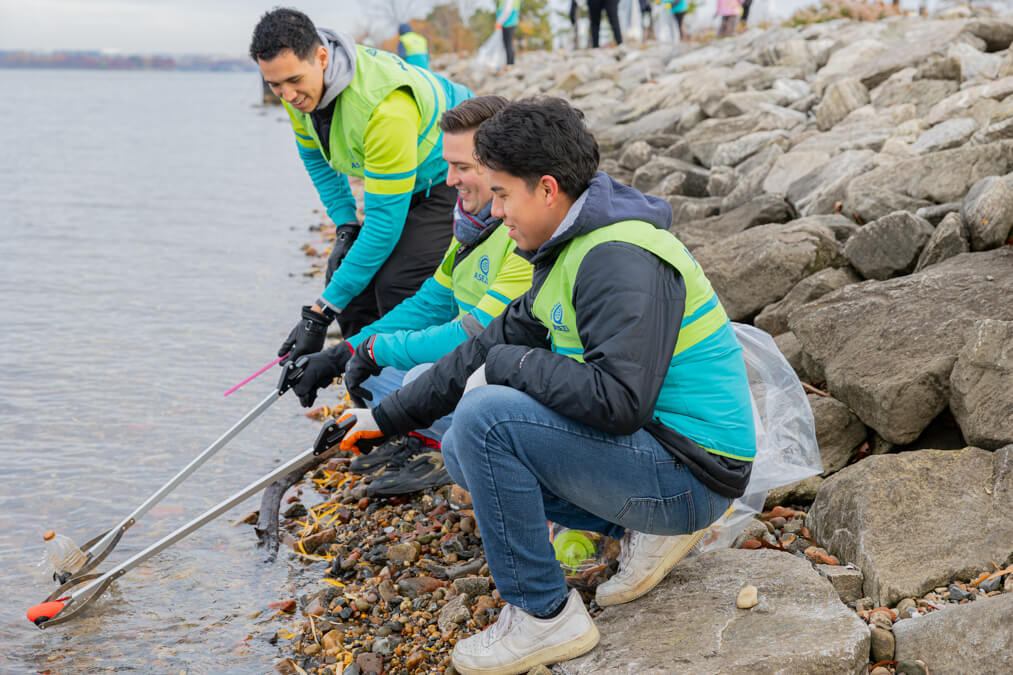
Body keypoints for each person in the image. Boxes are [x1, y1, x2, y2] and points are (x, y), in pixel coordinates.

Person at [330, 97, 756, 674]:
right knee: (461, 442)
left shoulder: (617, 258)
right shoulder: (567, 247)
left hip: (695, 474)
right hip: (666, 455)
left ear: (548, 189)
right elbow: (478, 349)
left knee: (487, 416)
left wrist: (513, 366)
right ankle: (634, 531)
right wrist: (383, 419)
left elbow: (620, 401)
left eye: (503, 194)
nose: (498, 212)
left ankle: (543, 617)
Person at [290, 95, 533, 497]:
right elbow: (426, 305)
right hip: (478, 370)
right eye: (446, 164)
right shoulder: (472, 228)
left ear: (501, 167)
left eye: (461, 167)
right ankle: (430, 443)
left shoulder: (523, 234)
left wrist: (374, 351)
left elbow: (470, 337)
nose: (448, 180)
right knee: (381, 376)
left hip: (513, 381)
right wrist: (343, 353)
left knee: (416, 375)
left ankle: (461, 455)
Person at [249, 8, 472, 360]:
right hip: (401, 175)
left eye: (293, 81)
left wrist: (321, 313)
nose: (287, 95)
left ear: (321, 57)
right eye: (274, 85)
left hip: (450, 171)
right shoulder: (299, 93)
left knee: (398, 282)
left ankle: (418, 389)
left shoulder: (382, 108)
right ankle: (362, 386)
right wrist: (346, 226)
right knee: (350, 286)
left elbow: (384, 225)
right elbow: (317, 160)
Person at [496, 1, 519, 66]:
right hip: (511, 22)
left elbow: (507, 11)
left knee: (507, 44)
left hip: (508, 23)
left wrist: (499, 22)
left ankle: (510, 63)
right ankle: (510, 63)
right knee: (509, 44)